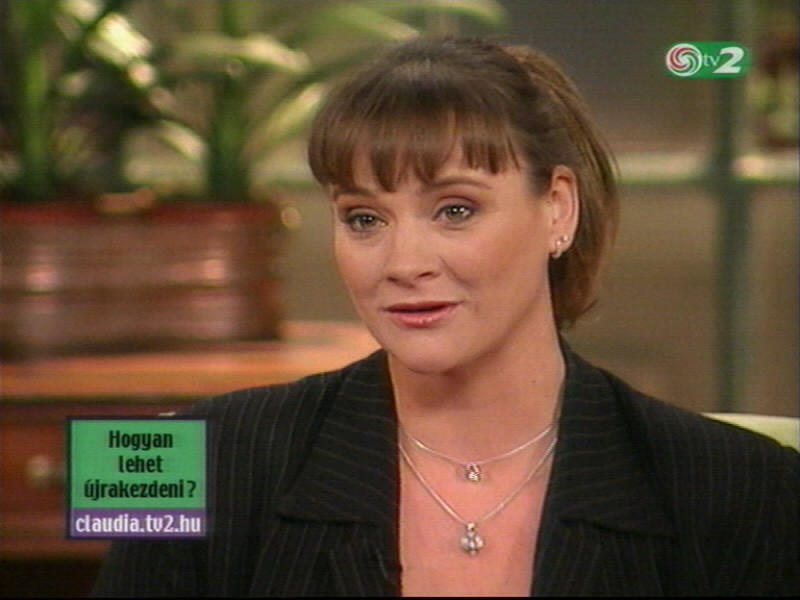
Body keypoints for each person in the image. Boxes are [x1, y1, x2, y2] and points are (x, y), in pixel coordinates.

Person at [92, 36, 799, 597]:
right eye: (364, 218)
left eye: (455, 210)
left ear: (558, 207)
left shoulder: (759, 488)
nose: (404, 263)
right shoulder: (164, 456)